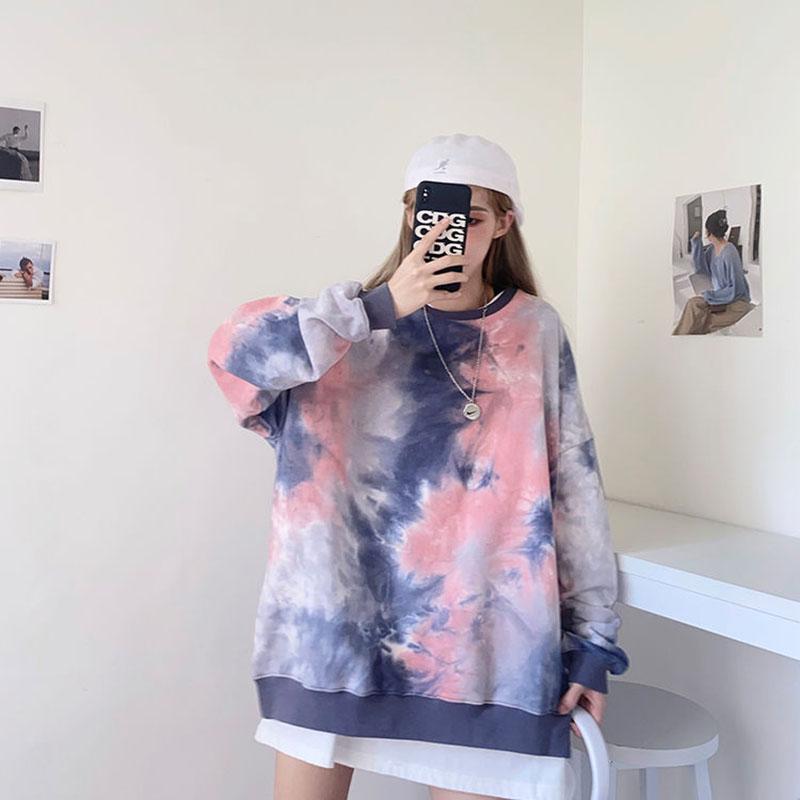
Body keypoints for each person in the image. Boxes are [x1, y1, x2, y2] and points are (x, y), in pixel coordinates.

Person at [207, 133, 629, 800]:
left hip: (483, 662)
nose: (445, 235)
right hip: (330, 644)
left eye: (472, 218)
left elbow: (573, 489)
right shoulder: (344, 329)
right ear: (408, 215)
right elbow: (234, 356)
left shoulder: (534, 331)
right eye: (426, 213)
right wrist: (375, 310)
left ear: (504, 225)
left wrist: (592, 643)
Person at [672, 209, 754, 335]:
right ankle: (677, 338)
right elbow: (700, 269)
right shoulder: (712, 249)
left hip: (736, 303)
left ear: (708, 232)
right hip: (722, 298)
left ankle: (678, 339)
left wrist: (710, 296)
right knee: (693, 304)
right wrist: (696, 243)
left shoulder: (729, 253)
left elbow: (736, 289)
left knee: (702, 321)